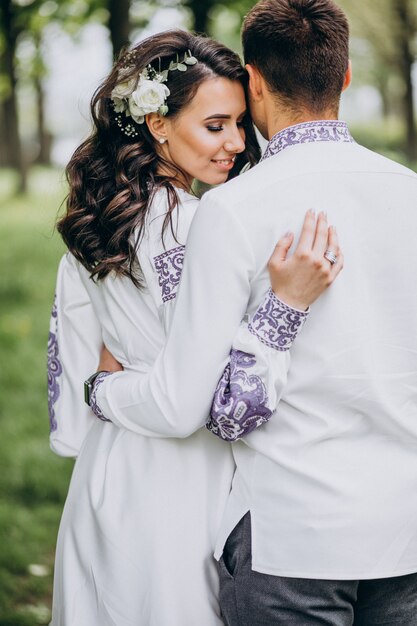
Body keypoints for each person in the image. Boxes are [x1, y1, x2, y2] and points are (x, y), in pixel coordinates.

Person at [87, 1, 417, 624]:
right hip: (406, 529)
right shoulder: (411, 194)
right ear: (345, 76)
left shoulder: (233, 208)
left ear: (255, 81)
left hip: (293, 536)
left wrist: (103, 389)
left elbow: (221, 413)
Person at [48, 28, 341, 626]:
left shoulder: (88, 230)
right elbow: (210, 389)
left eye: (240, 123)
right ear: (157, 123)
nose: (235, 143)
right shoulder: (210, 224)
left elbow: (68, 419)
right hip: (188, 484)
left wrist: (103, 391)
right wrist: (285, 300)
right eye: (215, 126)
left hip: (107, 474)